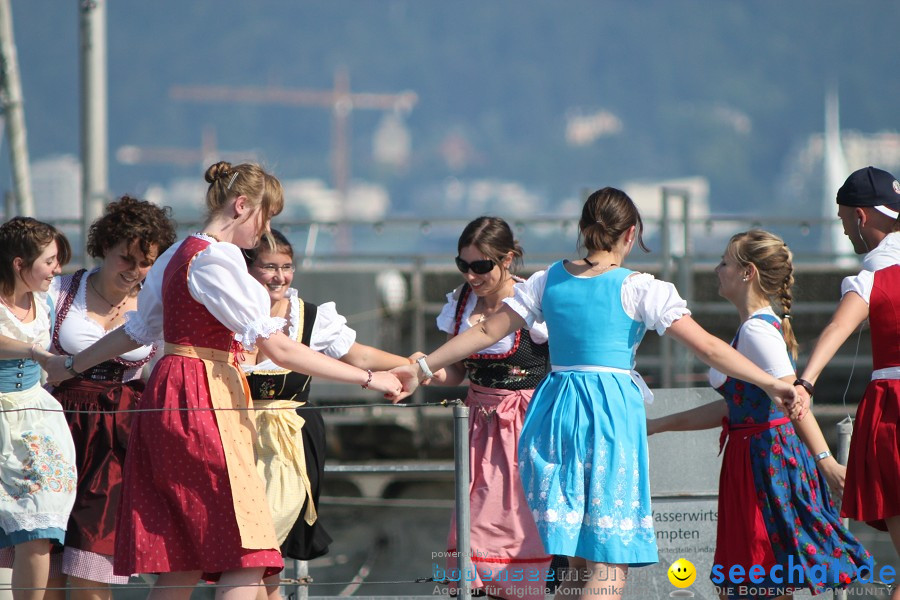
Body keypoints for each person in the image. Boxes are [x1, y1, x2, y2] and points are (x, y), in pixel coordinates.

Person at [389, 187, 800, 600]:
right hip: (609, 413)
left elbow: (484, 331)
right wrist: (772, 382)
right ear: (631, 233)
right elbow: (709, 348)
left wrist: (420, 367)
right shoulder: (641, 288)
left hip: (556, 409)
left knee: (574, 560)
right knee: (608, 560)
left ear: (583, 230)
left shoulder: (547, 280)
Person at [44, 161, 403, 600]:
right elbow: (279, 348)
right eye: (265, 216)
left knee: (184, 560)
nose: (265, 229)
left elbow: (137, 331)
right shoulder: (218, 258)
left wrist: (73, 365)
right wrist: (369, 378)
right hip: (204, 394)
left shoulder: (178, 254)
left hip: (171, 394)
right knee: (247, 554)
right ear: (242, 205)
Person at [647, 230, 871, 599]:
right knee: (759, 578)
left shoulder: (756, 332)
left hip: (765, 460)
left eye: (724, 262)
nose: (717, 269)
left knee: (757, 576)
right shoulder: (758, 327)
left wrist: (825, 461)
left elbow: (792, 401)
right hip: (753, 455)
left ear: (747, 272)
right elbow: (738, 406)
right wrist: (660, 425)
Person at [239, 229, 411, 600]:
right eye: (268, 266)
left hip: (287, 443)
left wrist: (419, 367)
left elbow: (360, 356)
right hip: (234, 439)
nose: (279, 276)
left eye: (287, 267)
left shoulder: (309, 317)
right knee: (258, 556)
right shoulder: (227, 316)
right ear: (247, 269)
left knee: (259, 542)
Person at [46, 196, 176, 600]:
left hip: (117, 439)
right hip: (57, 425)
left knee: (94, 556)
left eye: (146, 262)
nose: (135, 271)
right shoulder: (59, 291)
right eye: (126, 258)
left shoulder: (157, 309)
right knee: (46, 555)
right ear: (104, 248)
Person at [792, 166, 900, 600]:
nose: (843, 231)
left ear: (860, 217)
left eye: (842, 220)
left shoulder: (875, 274)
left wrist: (805, 381)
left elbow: (837, 327)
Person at [432, 217, 551, 600]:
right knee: (473, 529)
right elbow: (454, 373)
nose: (471, 275)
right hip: (478, 427)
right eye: (463, 265)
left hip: (525, 424)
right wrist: (422, 370)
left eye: (481, 266)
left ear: (508, 259)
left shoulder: (532, 301)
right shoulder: (461, 303)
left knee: (516, 528)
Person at [0, 217, 76, 600]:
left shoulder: (45, 299)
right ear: (18, 263)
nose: (56, 269)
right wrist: (33, 351)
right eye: (49, 261)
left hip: (34, 415)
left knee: (40, 523)